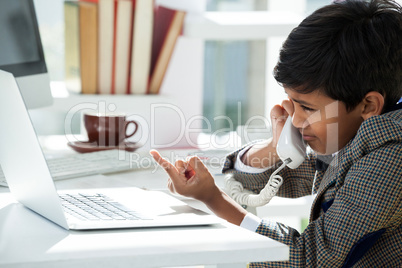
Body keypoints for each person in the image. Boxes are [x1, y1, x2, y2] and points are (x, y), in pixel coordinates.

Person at [150, 0, 402, 266]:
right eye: (291, 102)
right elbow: (246, 182)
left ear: (368, 105)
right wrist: (275, 146)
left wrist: (214, 199)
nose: (295, 117)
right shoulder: (353, 133)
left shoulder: (389, 158)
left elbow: (308, 259)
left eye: (306, 107)